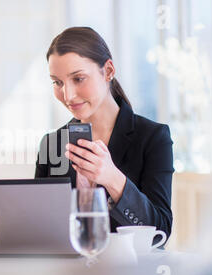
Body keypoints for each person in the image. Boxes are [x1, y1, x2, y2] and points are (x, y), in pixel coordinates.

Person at [35, 27, 174, 241]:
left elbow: (160, 233)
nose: (68, 95)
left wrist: (113, 179)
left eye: (78, 78)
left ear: (108, 71)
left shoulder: (153, 138)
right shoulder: (52, 144)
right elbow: (40, 230)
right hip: (69, 273)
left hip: (130, 272)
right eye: (57, 82)